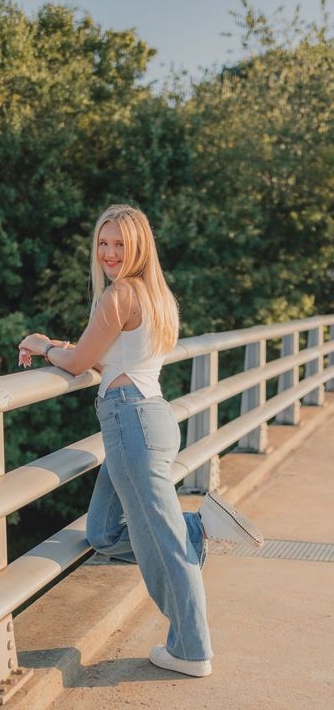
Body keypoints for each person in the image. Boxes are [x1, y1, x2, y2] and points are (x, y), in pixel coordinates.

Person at [18, 203, 264, 678]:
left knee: (163, 549)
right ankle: (198, 528)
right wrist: (70, 349)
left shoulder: (120, 296)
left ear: (138, 247)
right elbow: (100, 355)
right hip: (146, 420)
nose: (110, 252)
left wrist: (41, 344)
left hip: (132, 426)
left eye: (119, 244)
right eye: (103, 243)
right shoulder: (155, 294)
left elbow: (76, 363)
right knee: (104, 533)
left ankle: (192, 651)